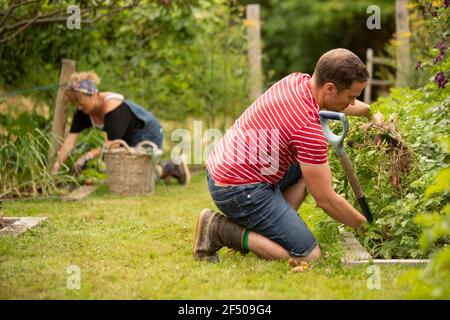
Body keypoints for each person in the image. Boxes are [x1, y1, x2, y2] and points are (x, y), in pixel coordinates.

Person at [193, 48, 373, 270]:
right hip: (237, 189)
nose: (351, 103)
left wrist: (370, 113)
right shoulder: (307, 129)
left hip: (224, 167)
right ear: (329, 88)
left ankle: (272, 228)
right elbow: (326, 199)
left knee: (308, 170)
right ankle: (218, 229)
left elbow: (345, 104)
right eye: (351, 97)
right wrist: (368, 228)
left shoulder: (297, 81)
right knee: (309, 256)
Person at [51, 71, 190, 185]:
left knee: (138, 180)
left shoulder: (112, 106)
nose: (79, 107)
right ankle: (161, 169)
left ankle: (172, 166)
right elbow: (69, 142)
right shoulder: (83, 112)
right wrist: (55, 166)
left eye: (81, 102)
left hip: (147, 132)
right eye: (76, 104)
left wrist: (86, 157)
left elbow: (113, 144)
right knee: (128, 176)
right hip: (127, 138)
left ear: (93, 94)